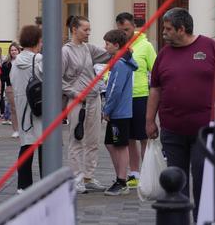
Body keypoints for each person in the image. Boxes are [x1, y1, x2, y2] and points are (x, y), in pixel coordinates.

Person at [146, 8, 215, 221]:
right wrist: (149, 121)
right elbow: (155, 89)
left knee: (203, 178)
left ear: (182, 29)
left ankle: (202, 218)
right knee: (175, 180)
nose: (164, 33)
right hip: (172, 130)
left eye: (168, 29)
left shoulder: (210, 47)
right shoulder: (164, 54)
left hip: (204, 130)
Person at [62, 16, 111, 193]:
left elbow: (109, 54)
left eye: (89, 29)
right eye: (85, 29)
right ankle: (76, 178)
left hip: (94, 98)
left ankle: (88, 176)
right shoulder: (65, 51)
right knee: (77, 139)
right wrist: (75, 93)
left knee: (93, 140)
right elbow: (57, 79)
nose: (89, 33)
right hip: (77, 101)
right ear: (74, 30)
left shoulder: (88, 48)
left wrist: (120, 41)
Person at [115, 12, 156, 188]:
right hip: (124, 98)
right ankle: (134, 173)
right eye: (121, 30)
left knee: (143, 137)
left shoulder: (145, 46)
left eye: (127, 29)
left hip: (141, 96)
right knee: (129, 138)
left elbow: (155, 69)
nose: (124, 33)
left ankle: (147, 172)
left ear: (134, 26)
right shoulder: (118, 47)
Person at [101, 29, 137, 196]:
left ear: (116, 45)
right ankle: (119, 177)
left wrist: (107, 109)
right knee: (110, 143)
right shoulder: (121, 61)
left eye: (107, 44)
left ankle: (122, 181)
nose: (105, 47)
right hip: (118, 111)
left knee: (121, 145)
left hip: (119, 112)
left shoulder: (120, 64)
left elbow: (115, 90)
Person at [11, 25, 43, 191]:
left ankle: (23, 186)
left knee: (26, 145)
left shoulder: (15, 63)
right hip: (39, 107)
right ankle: (47, 183)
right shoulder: (38, 60)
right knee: (45, 145)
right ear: (37, 41)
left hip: (23, 107)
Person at [1, 42, 20, 137]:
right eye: (12, 50)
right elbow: (3, 77)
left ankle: (22, 129)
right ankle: (16, 129)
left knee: (22, 108)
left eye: (15, 50)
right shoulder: (6, 64)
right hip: (10, 87)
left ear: (18, 51)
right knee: (14, 108)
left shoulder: (22, 61)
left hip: (22, 87)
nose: (13, 52)